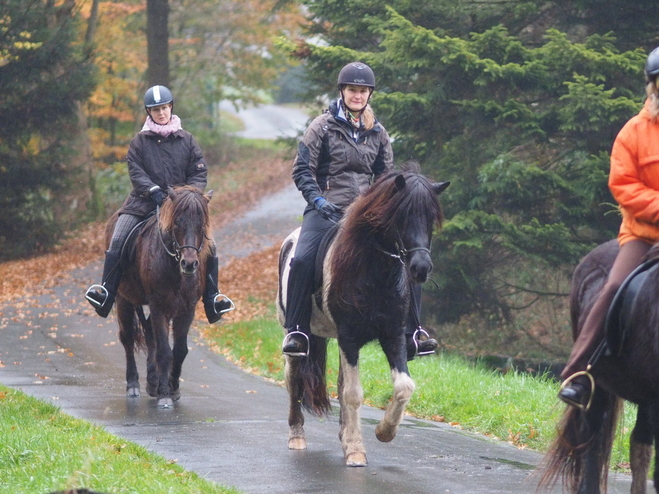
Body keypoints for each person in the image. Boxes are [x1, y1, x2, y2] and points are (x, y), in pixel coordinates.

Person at [281, 61, 438, 360]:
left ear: (369, 95)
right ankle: (298, 331)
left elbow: (385, 177)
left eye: (363, 91)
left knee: (410, 256)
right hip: (325, 208)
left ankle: (413, 332)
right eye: (352, 90)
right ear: (342, 91)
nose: (357, 95)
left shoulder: (378, 132)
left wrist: (380, 207)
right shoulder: (321, 127)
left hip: (365, 214)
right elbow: (303, 170)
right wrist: (318, 201)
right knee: (301, 260)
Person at [558, 46, 659, 409]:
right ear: (652, 86)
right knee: (614, 286)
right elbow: (623, 184)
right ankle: (580, 371)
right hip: (645, 235)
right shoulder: (634, 131)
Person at [85, 85, 233, 323]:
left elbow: (199, 171)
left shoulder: (187, 140)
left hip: (180, 207)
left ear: (171, 107)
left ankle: (212, 298)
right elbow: (135, 171)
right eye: (156, 110)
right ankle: (106, 292)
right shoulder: (139, 142)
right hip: (143, 202)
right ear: (149, 112)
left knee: (209, 245)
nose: (161, 113)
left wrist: (187, 195)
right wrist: (152, 190)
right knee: (119, 237)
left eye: (164, 108)